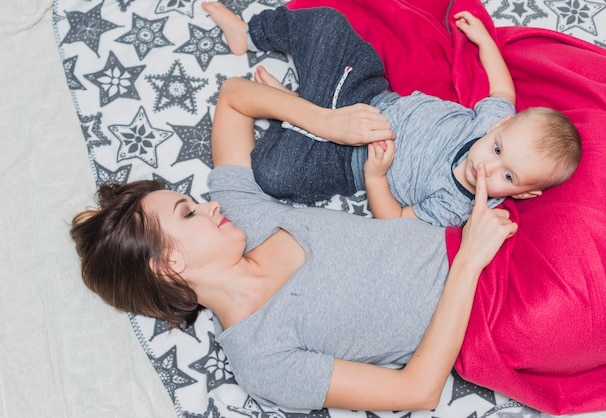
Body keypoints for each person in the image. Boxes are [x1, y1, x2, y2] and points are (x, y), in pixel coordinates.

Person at [69, 41, 519, 412]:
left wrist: (326, 121)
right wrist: (468, 263)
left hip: (478, 223)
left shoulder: (243, 216)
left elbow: (233, 96)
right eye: (188, 213)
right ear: (170, 263)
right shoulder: (261, 357)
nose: (208, 206)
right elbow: (415, 391)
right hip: (490, 312)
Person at [202, 2, 581, 227]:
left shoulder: (457, 205)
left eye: (508, 176)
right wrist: (484, 41)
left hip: (346, 162)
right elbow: (502, 90)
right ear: (499, 125)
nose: (487, 168)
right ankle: (249, 33)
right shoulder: (491, 121)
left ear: (525, 193)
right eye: (497, 151)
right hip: (365, 95)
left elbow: (395, 220)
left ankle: (295, 110)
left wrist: (376, 177)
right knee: (328, 23)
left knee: (276, 174)